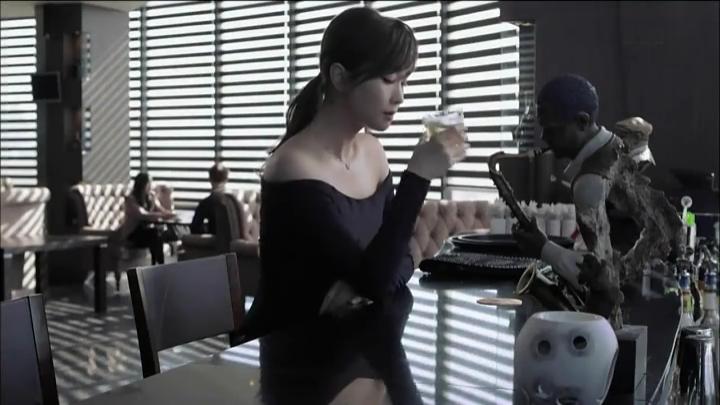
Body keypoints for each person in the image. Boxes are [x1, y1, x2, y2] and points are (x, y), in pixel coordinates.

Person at [242, 7, 467, 339]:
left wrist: (365, 283)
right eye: (388, 80)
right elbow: (377, 279)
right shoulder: (293, 165)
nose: (400, 96)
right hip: (290, 348)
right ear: (340, 77)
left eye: (404, 82)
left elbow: (401, 257)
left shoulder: (373, 152)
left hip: (348, 340)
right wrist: (419, 174)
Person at [512, 74, 682, 326]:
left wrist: (542, 248)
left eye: (552, 128)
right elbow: (666, 226)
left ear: (582, 121)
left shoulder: (589, 183)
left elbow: (602, 277)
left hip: (621, 317)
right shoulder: (615, 146)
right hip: (655, 299)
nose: (544, 137)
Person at [121, 172, 175, 265]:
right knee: (154, 234)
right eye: (149, 183)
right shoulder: (131, 199)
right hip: (133, 233)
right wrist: (161, 215)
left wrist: (171, 214)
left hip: (147, 231)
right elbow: (142, 215)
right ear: (142, 185)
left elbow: (161, 210)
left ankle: (157, 264)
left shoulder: (151, 196)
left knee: (161, 233)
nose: (151, 186)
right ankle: (160, 265)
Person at [190, 163, 230, 234]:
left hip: (214, 239)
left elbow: (195, 227)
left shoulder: (206, 203)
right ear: (226, 179)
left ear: (210, 179)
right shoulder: (234, 200)